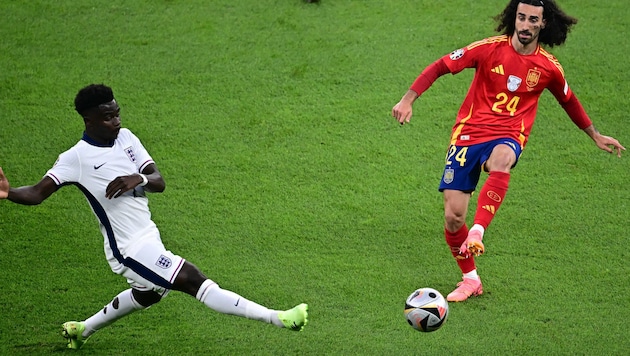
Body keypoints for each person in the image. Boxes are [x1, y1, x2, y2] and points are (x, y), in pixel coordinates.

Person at [0, 84, 308, 350]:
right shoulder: (76, 158)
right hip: (127, 249)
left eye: (118, 113)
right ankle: (278, 318)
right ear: (88, 120)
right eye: (108, 117)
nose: (116, 122)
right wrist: (8, 192)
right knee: (191, 279)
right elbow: (38, 193)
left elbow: (157, 180)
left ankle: (82, 330)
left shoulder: (127, 139)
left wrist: (139, 179)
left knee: (147, 295)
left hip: (148, 234)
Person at [391, 0, 625, 302]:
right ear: (513, 18)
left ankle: (478, 231)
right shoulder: (488, 49)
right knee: (453, 217)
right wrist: (408, 99)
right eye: (521, 18)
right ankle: (471, 279)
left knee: (502, 159)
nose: (525, 26)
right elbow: (441, 66)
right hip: (468, 135)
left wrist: (594, 134)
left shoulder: (548, 67)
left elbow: (569, 100)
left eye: (533, 20)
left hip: (509, 134)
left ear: (543, 24)